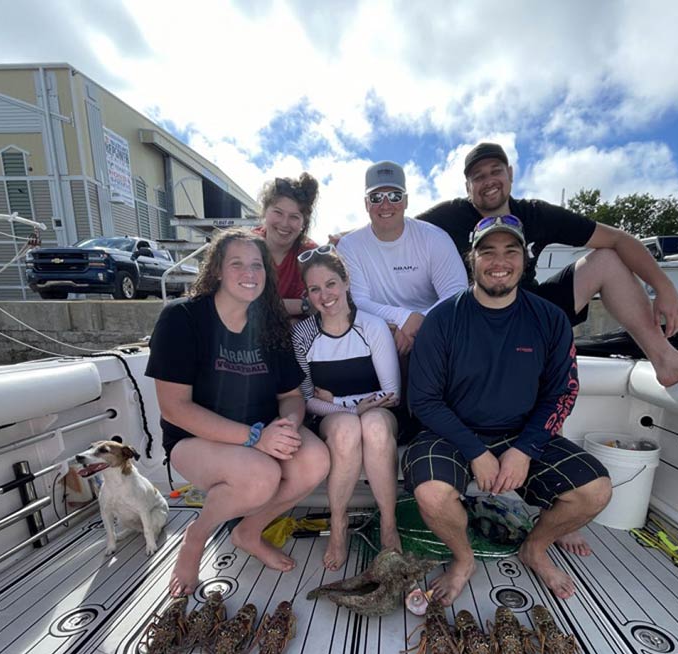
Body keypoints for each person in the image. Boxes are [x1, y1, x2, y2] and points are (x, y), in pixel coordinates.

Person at [403, 216, 612, 605]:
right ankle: (463, 560)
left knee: (596, 490)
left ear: (524, 259)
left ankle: (535, 547)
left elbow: (563, 392)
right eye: (488, 251)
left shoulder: (550, 320)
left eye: (510, 251)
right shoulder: (442, 320)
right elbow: (425, 401)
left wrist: (524, 450)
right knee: (431, 494)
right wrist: (476, 451)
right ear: (472, 259)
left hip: (521, 433)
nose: (500, 261)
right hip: (452, 433)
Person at [417, 142, 678, 389]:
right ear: (467, 187)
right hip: (474, 321)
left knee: (608, 259)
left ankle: (666, 359)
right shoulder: (449, 217)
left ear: (510, 174)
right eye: (478, 176)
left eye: (495, 171)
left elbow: (620, 239)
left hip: (532, 313)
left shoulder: (535, 214)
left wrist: (663, 286)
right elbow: (393, 236)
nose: (488, 181)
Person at [146, 229, 330, 596]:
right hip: (196, 439)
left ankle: (248, 531)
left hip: (261, 430)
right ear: (216, 270)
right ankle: (195, 538)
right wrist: (256, 439)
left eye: (257, 265)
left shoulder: (270, 326)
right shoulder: (182, 319)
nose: (249, 272)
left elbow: (292, 395)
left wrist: (288, 426)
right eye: (237, 264)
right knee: (260, 476)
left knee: (316, 461)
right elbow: (174, 408)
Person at [291, 245, 402, 570]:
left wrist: (338, 401)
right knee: (349, 428)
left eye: (331, 284)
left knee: (376, 427)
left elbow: (392, 394)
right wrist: (351, 409)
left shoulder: (371, 326)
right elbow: (307, 398)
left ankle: (388, 524)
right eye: (315, 289)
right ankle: (338, 524)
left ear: (345, 283)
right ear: (307, 295)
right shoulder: (303, 335)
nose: (325, 295)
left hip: (381, 413)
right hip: (334, 419)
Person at [336, 161, 468, 355]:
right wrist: (402, 318)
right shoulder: (349, 246)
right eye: (376, 197)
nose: (386, 204)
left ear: (406, 201)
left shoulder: (434, 237)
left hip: (435, 325)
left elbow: (456, 293)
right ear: (366, 204)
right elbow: (359, 301)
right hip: (378, 329)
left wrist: (418, 322)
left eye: (395, 196)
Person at [255, 173, 320, 318]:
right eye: (278, 213)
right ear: (265, 211)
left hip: (297, 334)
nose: (284, 223)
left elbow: (322, 305)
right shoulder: (244, 246)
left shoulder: (311, 255)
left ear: (304, 222)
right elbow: (237, 303)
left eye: (294, 217)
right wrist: (304, 305)